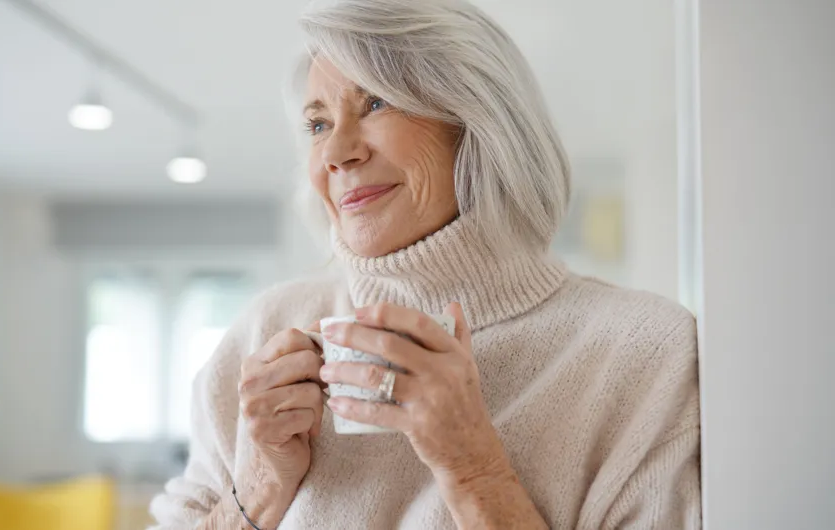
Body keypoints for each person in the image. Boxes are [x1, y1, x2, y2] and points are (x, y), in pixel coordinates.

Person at [150, 0, 700, 528]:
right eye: (317, 124)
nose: (337, 153)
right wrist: (259, 490)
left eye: (375, 103)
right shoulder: (265, 332)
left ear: (477, 122)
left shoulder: (644, 353)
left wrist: (475, 469)